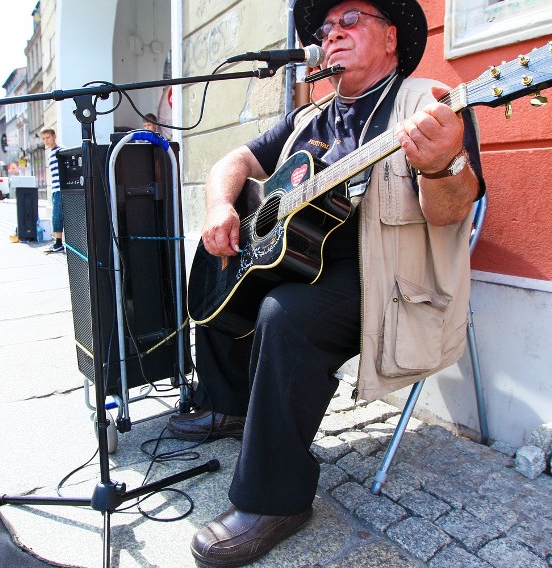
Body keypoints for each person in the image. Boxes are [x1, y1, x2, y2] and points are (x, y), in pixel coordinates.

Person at [167, 1, 485, 565]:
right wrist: (221, 205)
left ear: (390, 38)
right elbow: (233, 161)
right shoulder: (307, 120)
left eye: (350, 20)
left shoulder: (427, 105)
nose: (331, 34)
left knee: (284, 316)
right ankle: (229, 404)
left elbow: (452, 213)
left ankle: (275, 500)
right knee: (223, 265)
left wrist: (442, 166)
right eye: (325, 27)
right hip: (301, 263)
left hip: (385, 280)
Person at [40, 128, 64, 253]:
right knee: (57, 215)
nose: (46, 141)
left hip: (60, 188)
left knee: (57, 215)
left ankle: (59, 243)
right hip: (55, 189)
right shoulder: (50, 153)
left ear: (54, 136)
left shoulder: (60, 150)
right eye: (43, 139)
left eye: (48, 138)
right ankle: (59, 243)